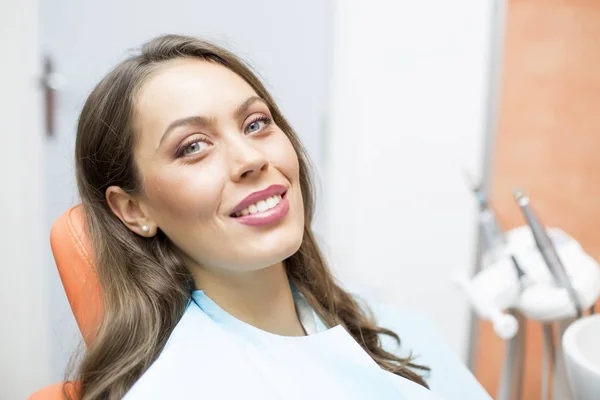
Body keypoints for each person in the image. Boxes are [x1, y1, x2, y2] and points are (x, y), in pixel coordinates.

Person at [72, 34, 437, 400]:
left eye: (255, 124)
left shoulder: (392, 327)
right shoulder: (177, 388)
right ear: (134, 210)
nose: (250, 159)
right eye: (193, 146)